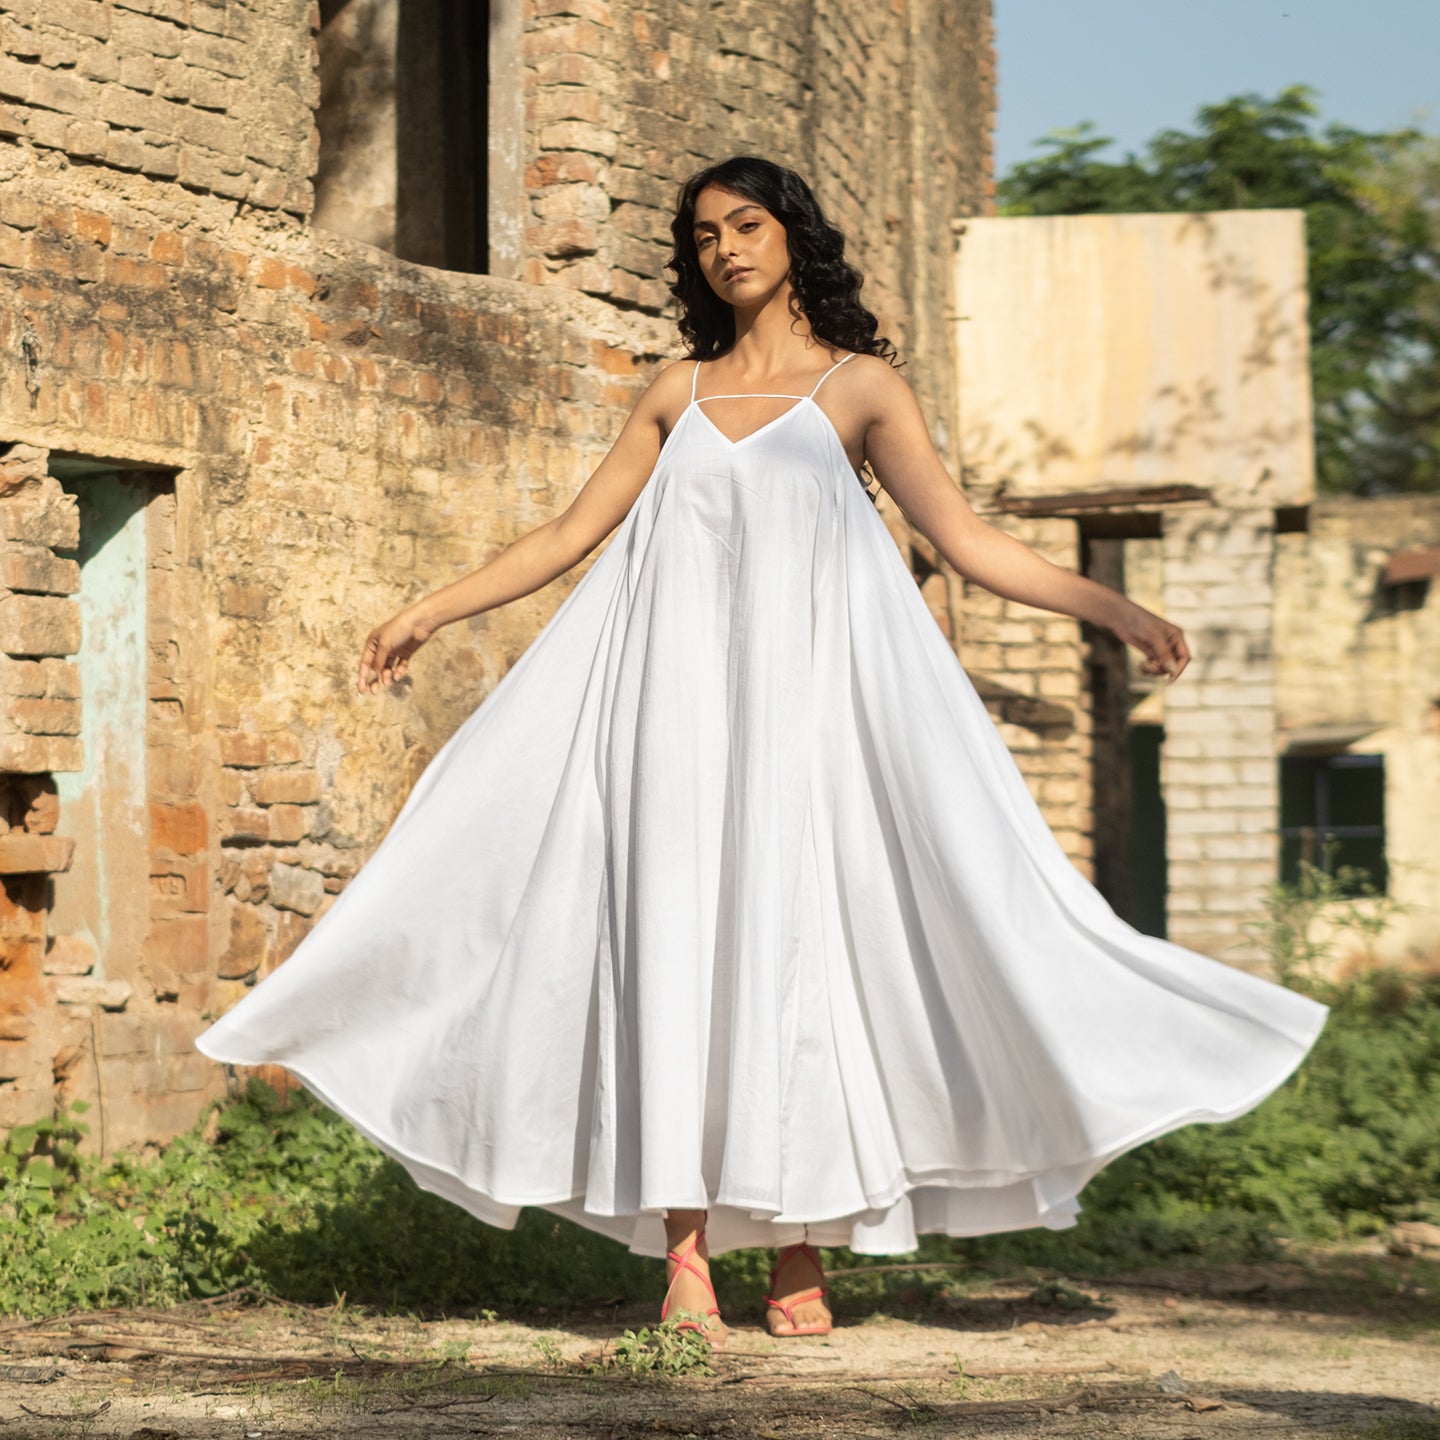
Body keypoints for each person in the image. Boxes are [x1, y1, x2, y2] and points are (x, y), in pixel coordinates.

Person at [197, 156, 1327, 1349]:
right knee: (672, 962)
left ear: (794, 237)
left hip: (804, 731)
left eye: (747, 225)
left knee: (797, 969)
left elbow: (970, 541)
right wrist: (434, 607)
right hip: (667, 727)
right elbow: (571, 534)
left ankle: (798, 1245)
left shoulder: (860, 390)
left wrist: (1117, 612)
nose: (725, 249)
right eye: (703, 237)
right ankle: (685, 1257)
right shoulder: (673, 393)